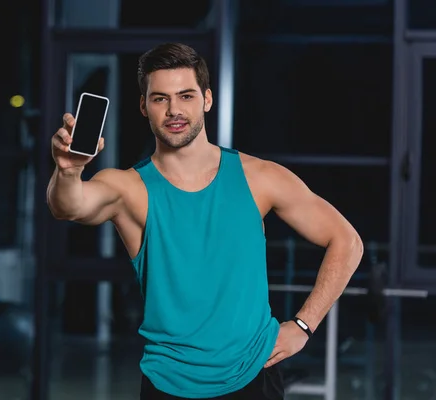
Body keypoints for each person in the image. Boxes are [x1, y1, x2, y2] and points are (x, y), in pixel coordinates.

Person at [47, 43, 364, 400]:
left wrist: (304, 326)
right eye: (160, 99)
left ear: (207, 99)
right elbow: (69, 207)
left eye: (186, 96)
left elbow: (347, 241)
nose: (174, 110)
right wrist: (68, 171)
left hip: (253, 376)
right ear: (143, 106)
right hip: (167, 382)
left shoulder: (260, 177)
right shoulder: (128, 188)